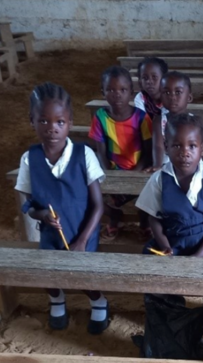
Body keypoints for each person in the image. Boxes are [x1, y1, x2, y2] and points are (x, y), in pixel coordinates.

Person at [134, 113, 203, 359]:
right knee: (154, 266)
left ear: (202, 149)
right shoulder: (160, 179)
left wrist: (198, 258)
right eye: (177, 146)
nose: (184, 152)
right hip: (174, 239)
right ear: (166, 147)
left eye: (192, 146)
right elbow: (154, 218)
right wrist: (164, 245)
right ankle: (170, 311)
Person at [15, 82, 110, 333]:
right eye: (43, 121)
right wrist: (42, 215)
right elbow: (30, 206)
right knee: (48, 271)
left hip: (83, 230)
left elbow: (98, 206)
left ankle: (98, 300)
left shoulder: (83, 154)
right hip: (51, 233)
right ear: (32, 121)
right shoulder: (30, 159)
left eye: (59, 122)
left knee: (83, 273)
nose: (52, 128)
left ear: (70, 122)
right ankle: (56, 299)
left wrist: (82, 240)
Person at [88, 66, 154, 240]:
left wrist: (133, 174)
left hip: (139, 168)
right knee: (90, 192)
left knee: (149, 195)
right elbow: (101, 152)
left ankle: (144, 222)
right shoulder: (100, 117)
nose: (117, 94)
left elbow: (148, 152)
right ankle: (114, 216)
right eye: (110, 90)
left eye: (123, 90)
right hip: (112, 168)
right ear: (103, 92)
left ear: (131, 92)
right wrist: (109, 176)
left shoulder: (141, 117)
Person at [151, 71, 203, 170]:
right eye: (167, 92)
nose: (172, 97)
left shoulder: (197, 121)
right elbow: (158, 146)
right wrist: (157, 165)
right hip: (167, 168)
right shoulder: (159, 121)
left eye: (178, 92)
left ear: (189, 97)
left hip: (193, 167)